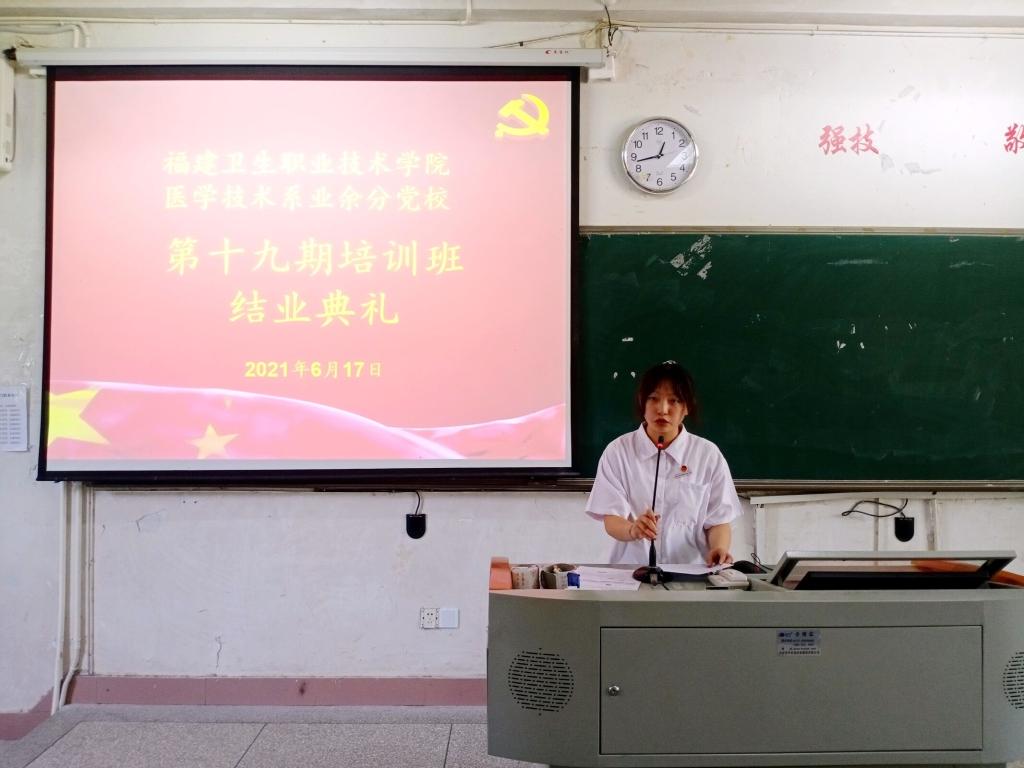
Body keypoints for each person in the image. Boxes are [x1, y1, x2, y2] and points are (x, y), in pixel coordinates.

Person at [585, 360, 742, 566]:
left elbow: (718, 521)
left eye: (674, 400)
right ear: (642, 402)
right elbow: (611, 519)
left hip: (691, 572)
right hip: (630, 572)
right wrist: (632, 530)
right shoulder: (618, 452)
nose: (663, 409)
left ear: (687, 407)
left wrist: (719, 548)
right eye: (653, 399)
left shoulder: (707, 455)